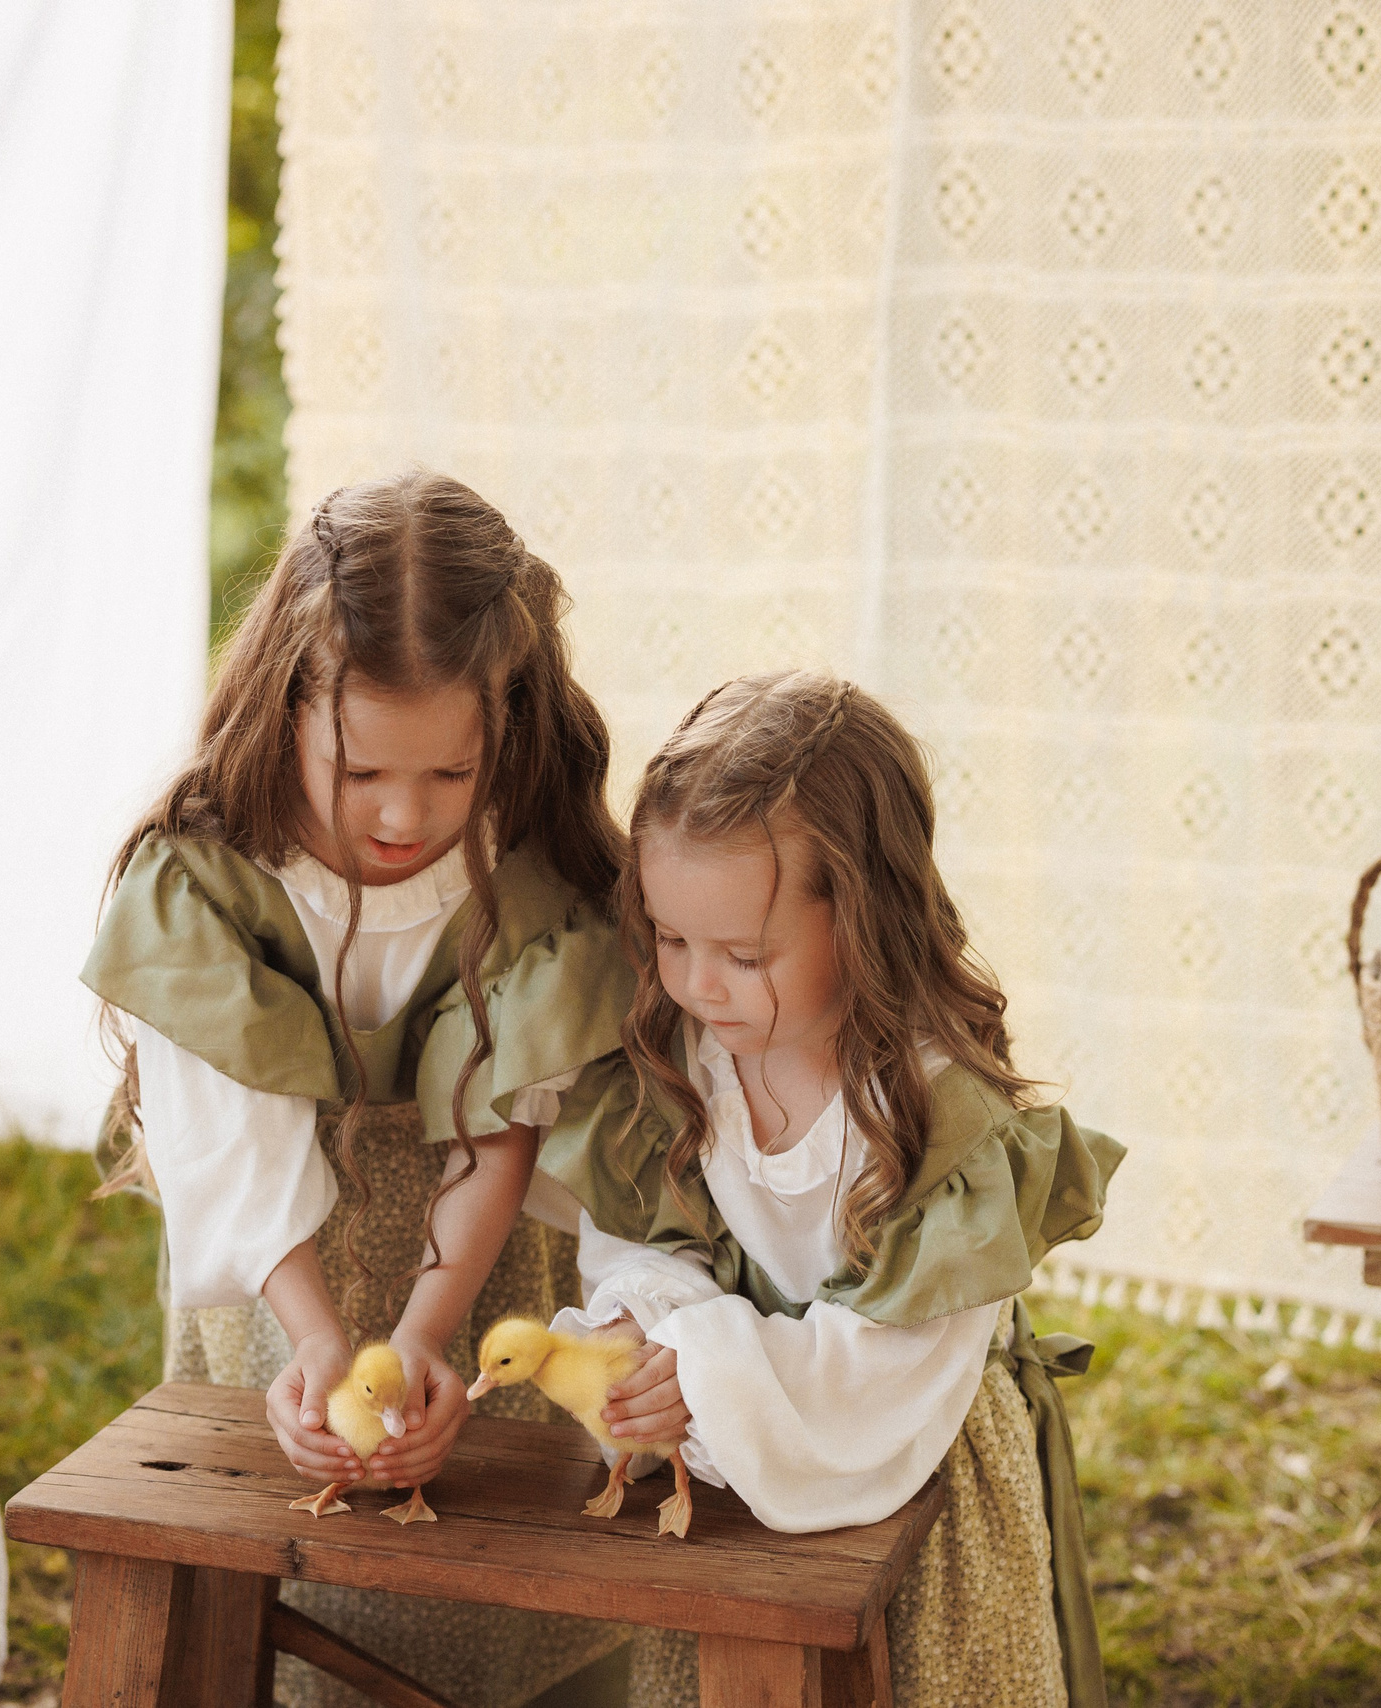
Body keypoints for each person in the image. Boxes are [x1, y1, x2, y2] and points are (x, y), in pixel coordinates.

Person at [82, 468, 635, 1707]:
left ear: (505, 727)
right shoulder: (210, 885)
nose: (403, 814)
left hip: (476, 1265)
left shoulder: (526, 879)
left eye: (450, 775)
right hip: (292, 1265)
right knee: (293, 1568)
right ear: (288, 709)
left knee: (492, 1573)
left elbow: (498, 1127)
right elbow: (238, 1139)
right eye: (362, 770)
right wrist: (323, 1342)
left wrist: (429, 1337)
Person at [540, 670, 1124, 1708]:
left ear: (860, 920)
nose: (697, 982)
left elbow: (896, 1362)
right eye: (671, 940)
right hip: (738, 1464)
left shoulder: (930, 1114)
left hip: (913, 1473)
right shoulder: (688, 1058)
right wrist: (645, 1325)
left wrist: (711, 1368)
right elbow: (645, 1239)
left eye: (744, 953)